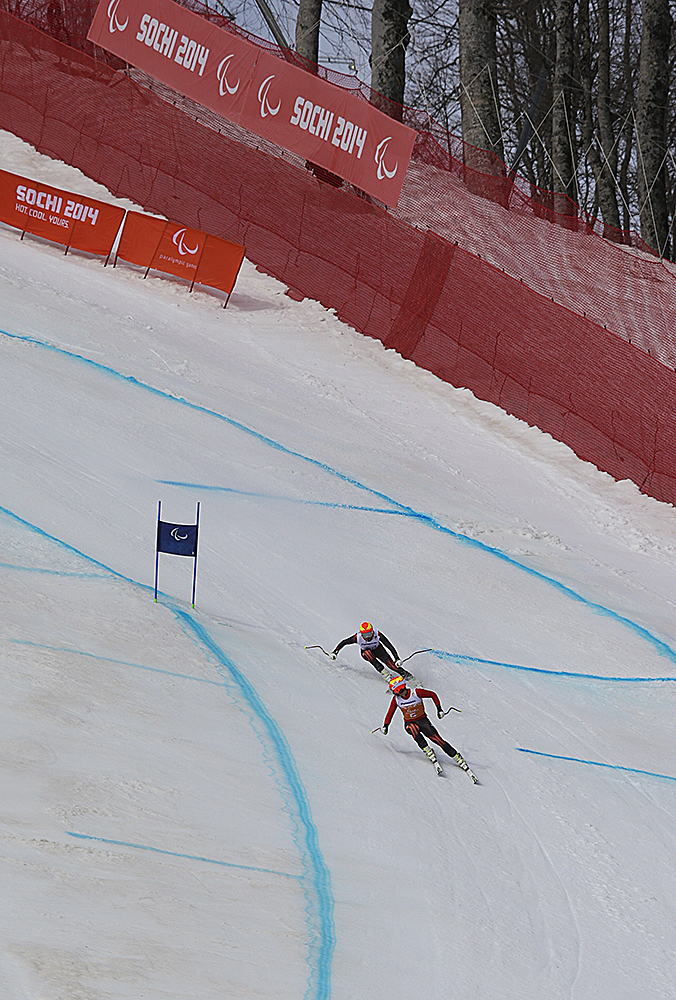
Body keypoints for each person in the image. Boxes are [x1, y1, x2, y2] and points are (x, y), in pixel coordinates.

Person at [381, 675, 478, 782]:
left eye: (396, 692)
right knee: (414, 729)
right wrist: (386, 725)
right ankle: (427, 750)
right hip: (409, 723)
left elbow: (432, 694)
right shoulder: (396, 700)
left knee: (438, 740)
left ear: (401, 689)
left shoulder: (416, 693)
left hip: (423, 721)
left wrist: (439, 709)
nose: (396, 695)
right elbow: (390, 712)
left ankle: (457, 757)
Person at [330, 622, 414, 680]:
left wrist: (396, 658)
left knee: (392, 666)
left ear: (372, 632)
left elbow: (389, 645)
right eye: (365, 635)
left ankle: (410, 678)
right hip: (366, 653)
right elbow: (344, 642)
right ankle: (385, 674)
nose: (367, 637)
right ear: (361, 634)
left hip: (379, 650)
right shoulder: (357, 637)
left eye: (369, 634)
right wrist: (335, 652)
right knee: (367, 654)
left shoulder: (377, 634)